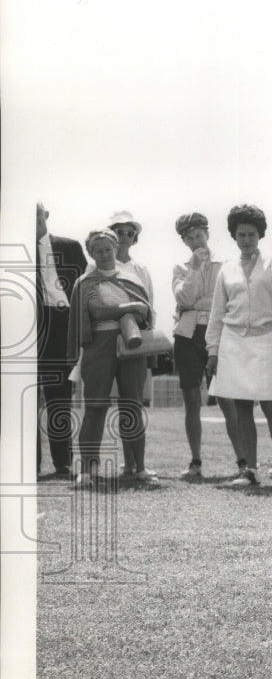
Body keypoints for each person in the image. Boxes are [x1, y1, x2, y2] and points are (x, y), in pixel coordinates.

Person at [205, 204, 272, 489]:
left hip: (267, 341)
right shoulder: (226, 269)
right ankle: (250, 471)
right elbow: (217, 314)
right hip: (233, 343)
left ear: (260, 235)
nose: (246, 239)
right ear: (234, 236)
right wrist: (213, 351)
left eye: (251, 234)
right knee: (242, 409)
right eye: (241, 234)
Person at [67, 229, 159, 486]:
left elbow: (145, 315)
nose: (105, 255)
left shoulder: (133, 279)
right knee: (95, 407)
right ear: (90, 253)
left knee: (132, 407)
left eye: (108, 249)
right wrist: (130, 308)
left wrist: (137, 313)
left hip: (131, 346)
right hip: (98, 346)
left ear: (116, 247)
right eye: (98, 251)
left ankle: (139, 468)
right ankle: (87, 470)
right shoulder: (85, 282)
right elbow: (96, 311)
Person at [171, 212, 244, 481]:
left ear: (207, 234)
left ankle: (243, 461)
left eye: (198, 235)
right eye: (188, 238)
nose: (195, 241)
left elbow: (223, 302)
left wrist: (195, 304)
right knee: (192, 400)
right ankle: (196, 461)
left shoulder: (226, 264)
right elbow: (185, 297)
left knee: (227, 399)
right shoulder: (181, 267)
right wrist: (193, 268)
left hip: (218, 334)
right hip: (187, 336)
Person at [36, 203, 88, 481]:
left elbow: (87, 287)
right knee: (26, 400)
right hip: (29, 328)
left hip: (62, 324)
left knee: (59, 398)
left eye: (35, 214)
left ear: (45, 215)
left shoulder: (69, 246)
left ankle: (63, 463)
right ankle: (30, 464)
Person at [107, 210, 155, 475]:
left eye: (129, 233)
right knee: (105, 404)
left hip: (135, 342)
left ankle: (140, 466)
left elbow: (149, 308)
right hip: (105, 341)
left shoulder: (141, 270)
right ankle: (127, 464)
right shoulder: (98, 265)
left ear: (135, 238)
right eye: (118, 231)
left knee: (132, 403)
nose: (123, 237)